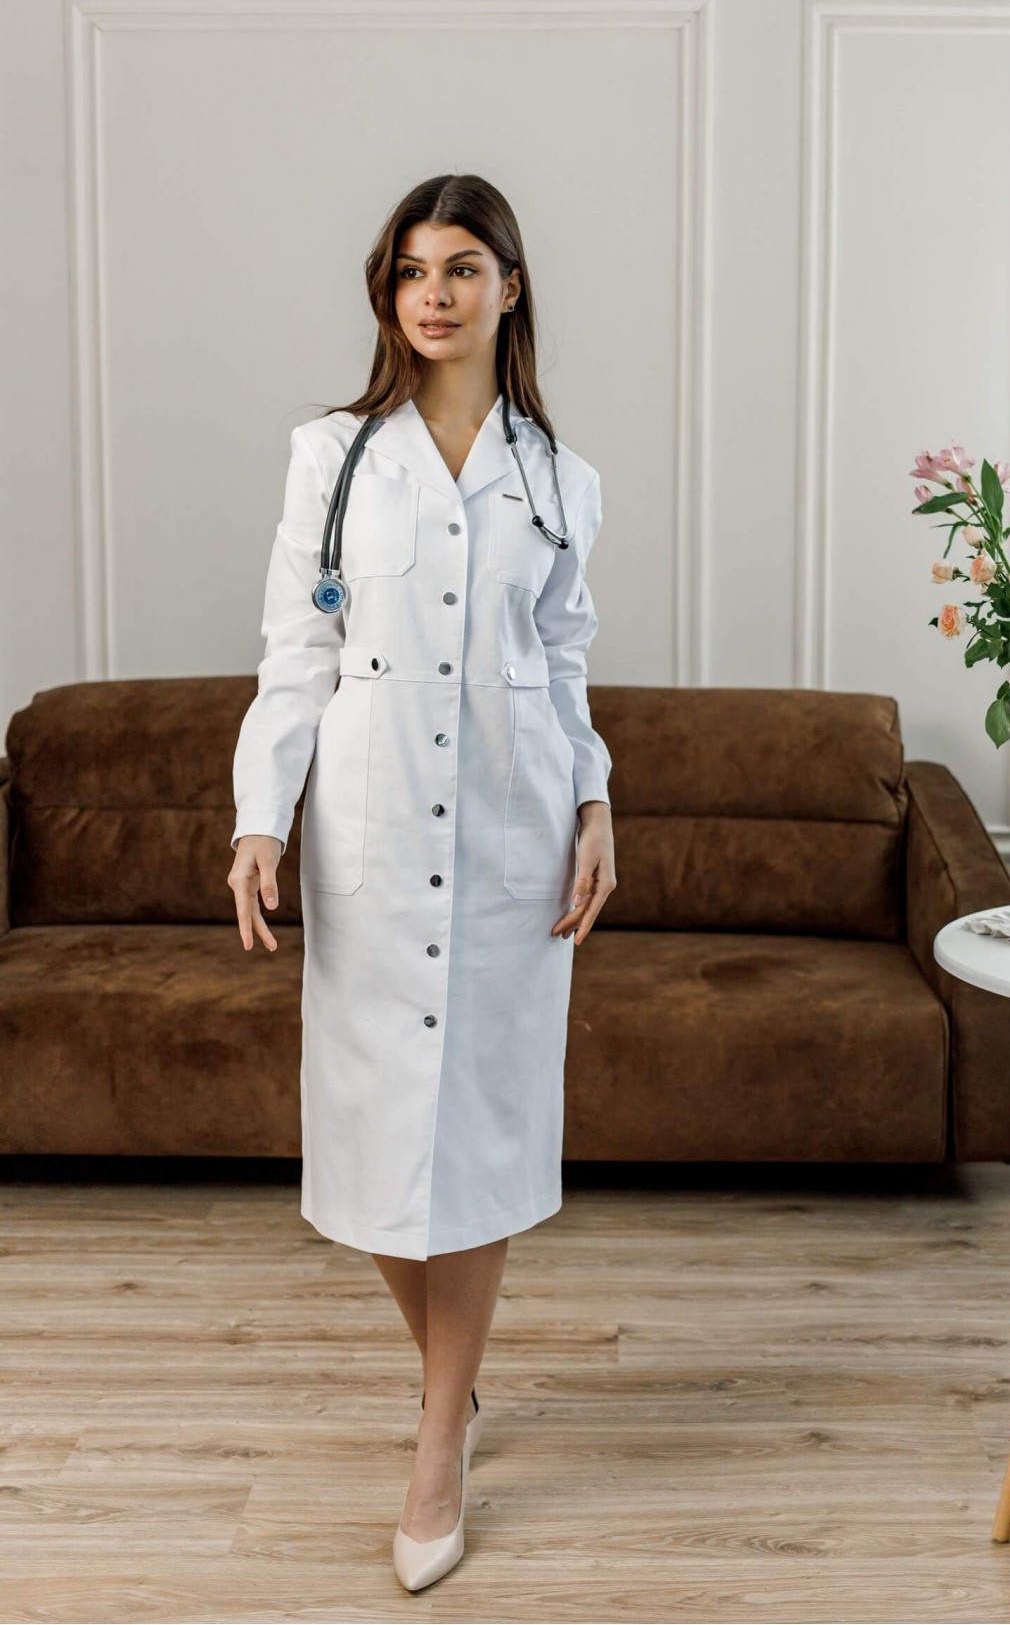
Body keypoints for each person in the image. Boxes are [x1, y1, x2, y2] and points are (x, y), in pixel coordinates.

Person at [226, 172, 616, 1590]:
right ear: (388, 294)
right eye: (410, 270)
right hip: (375, 847)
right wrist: (259, 820)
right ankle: (456, 1383)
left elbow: (561, 663)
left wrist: (595, 799)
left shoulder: (560, 481)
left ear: (511, 286)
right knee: (380, 1143)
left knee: (484, 1141)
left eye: (460, 267)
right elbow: (297, 653)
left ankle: (440, 1431)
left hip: (515, 840)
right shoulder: (332, 458)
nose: (434, 294)